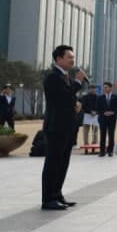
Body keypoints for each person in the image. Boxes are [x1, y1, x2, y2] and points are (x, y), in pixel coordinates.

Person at [41, 45, 86, 210]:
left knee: (63, 162)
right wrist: (78, 81)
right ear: (59, 59)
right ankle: (48, 198)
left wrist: (75, 104)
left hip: (67, 126)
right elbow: (62, 95)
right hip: (56, 127)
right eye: (69, 57)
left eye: (73, 57)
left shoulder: (65, 77)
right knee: (53, 163)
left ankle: (57, 194)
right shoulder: (53, 77)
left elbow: (66, 98)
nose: (72, 60)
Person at [96, 82, 117, 157]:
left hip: (112, 119)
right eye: (104, 87)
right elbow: (97, 108)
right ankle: (102, 151)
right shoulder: (100, 97)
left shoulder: (115, 97)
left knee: (111, 135)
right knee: (102, 135)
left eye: (106, 87)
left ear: (110, 88)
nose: (105, 89)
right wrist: (104, 113)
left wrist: (112, 112)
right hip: (102, 118)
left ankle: (110, 151)